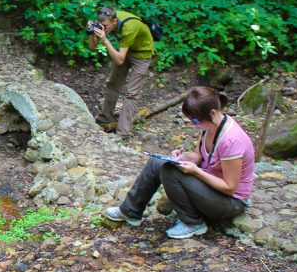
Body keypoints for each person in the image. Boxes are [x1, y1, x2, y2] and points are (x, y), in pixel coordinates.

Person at [103, 86, 255, 239]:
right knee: (157, 161)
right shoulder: (209, 126)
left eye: (195, 120)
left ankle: (193, 223)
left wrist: (196, 172)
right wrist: (184, 157)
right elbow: (198, 156)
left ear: (213, 113)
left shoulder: (231, 141)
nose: (193, 125)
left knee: (170, 172)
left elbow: (229, 187)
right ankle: (130, 211)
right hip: (212, 188)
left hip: (231, 202)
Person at [88, 6, 156, 136]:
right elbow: (92, 47)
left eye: (105, 26)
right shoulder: (108, 20)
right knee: (113, 83)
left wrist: (105, 40)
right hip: (127, 49)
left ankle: (122, 133)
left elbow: (119, 60)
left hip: (142, 54)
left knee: (132, 93)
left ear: (114, 22)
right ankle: (105, 119)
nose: (103, 28)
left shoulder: (129, 27)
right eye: (101, 25)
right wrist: (92, 33)